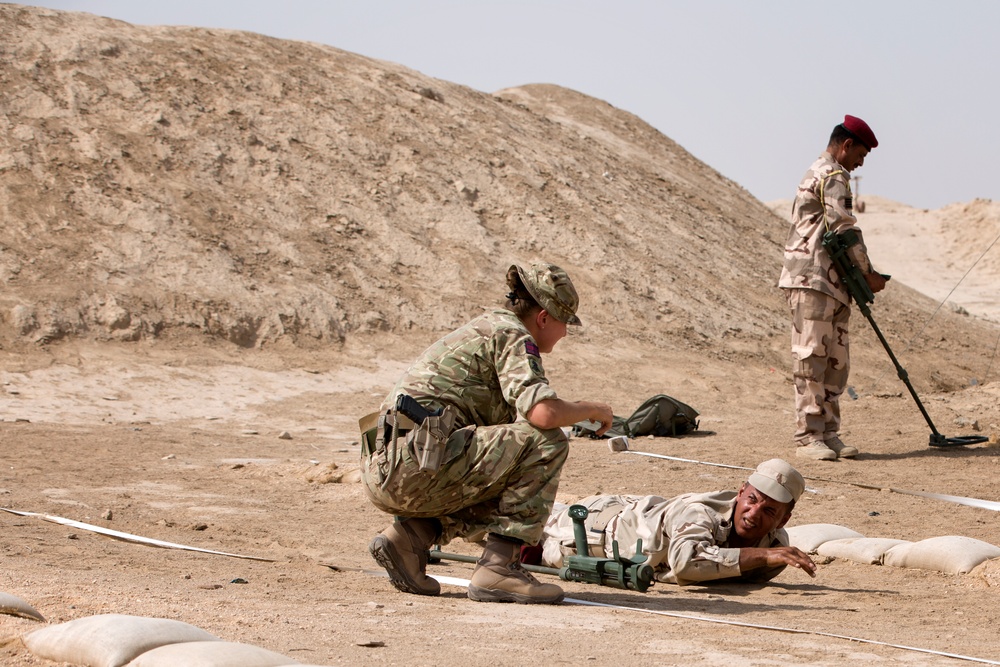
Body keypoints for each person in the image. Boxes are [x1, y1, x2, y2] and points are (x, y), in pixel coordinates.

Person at [360, 262, 614, 604]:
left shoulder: (487, 327)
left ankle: (408, 539)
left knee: (501, 463)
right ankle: (500, 569)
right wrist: (593, 409)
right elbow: (543, 413)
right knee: (546, 443)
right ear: (543, 318)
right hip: (413, 465)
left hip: (392, 465)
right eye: (564, 322)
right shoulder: (512, 334)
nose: (565, 333)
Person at [778, 115, 887, 461]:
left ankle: (828, 432)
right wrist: (868, 274)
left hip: (831, 282)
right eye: (860, 155)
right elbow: (843, 228)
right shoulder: (832, 175)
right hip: (813, 279)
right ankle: (809, 437)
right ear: (846, 145)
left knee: (835, 362)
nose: (860, 163)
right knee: (812, 357)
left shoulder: (825, 172)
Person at [537, 459, 816, 585]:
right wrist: (761, 556)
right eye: (752, 499)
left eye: (769, 511)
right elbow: (685, 563)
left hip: (640, 512)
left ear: (784, 519)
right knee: (524, 529)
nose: (753, 513)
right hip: (597, 527)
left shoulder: (776, 545)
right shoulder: (700, 513)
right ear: (740, 492)